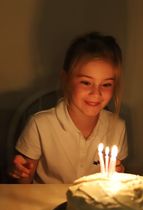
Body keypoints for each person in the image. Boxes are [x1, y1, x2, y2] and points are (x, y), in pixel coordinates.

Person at [9, 32, 128, 183]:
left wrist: (119, 173)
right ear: (66, 80)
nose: (96, 93)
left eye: (106, 84)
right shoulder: (40, 125)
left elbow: (114, 181)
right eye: (86, 82)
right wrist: (20, 172)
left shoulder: (117, 127)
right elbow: (24, 184)